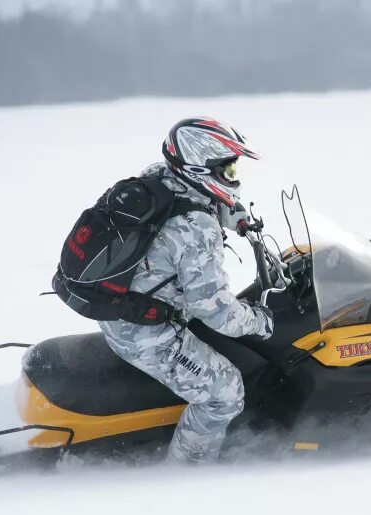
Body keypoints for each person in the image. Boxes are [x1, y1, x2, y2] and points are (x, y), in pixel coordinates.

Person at [99, 118, 274, 463]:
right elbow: (218, 313)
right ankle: (187, 475)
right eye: (228, 168)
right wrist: (259, 322)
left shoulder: (159, 176)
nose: (234, 177)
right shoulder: (197, 231)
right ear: (199, 167)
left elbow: (189, 202)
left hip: (126, 304)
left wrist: (234, 215)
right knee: (224, 393)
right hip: (144, 332)